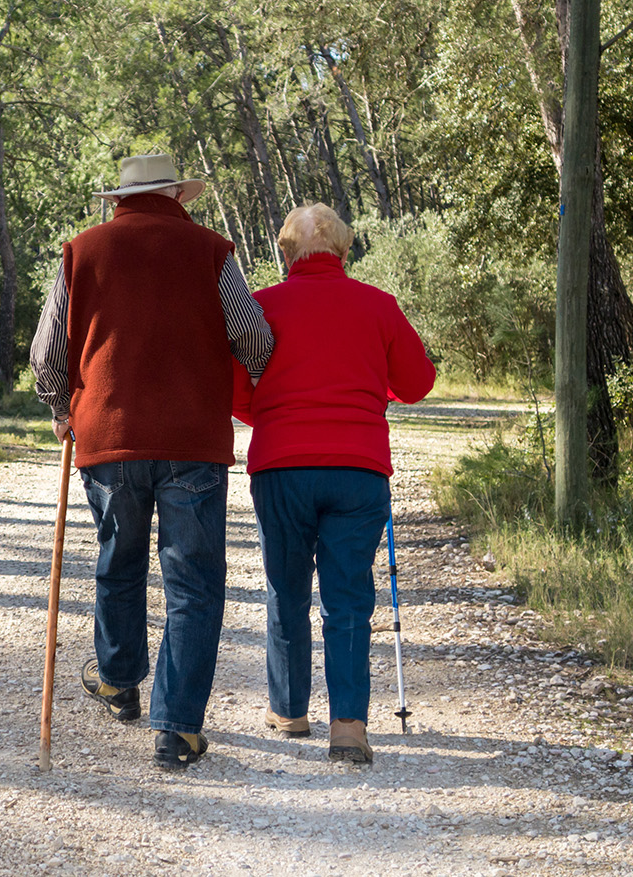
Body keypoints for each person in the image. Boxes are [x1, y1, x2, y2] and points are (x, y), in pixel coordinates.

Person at [30, 154, 273, 771]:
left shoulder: (80, 252)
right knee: (192, 585)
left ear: (118, 200)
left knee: (119, 560)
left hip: (108, 438)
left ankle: (118, 680)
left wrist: (64, 410)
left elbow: (45, 353)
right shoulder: (211, 250)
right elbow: (253, 337)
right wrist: (252, 377)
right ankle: (178, 729)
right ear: (177, 196)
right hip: (193, 440)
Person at [232, 203, 434, 764]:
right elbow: (417, 383)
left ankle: (291, 709)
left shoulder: (261, 308)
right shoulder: (378, 306)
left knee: (287, 588)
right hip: (359, 469)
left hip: (281, 468)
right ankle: (348, 727)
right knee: (348, 598)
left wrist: (275, 416)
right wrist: (374, 392)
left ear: (286, 253)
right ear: (345, 252)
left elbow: (234, 392)